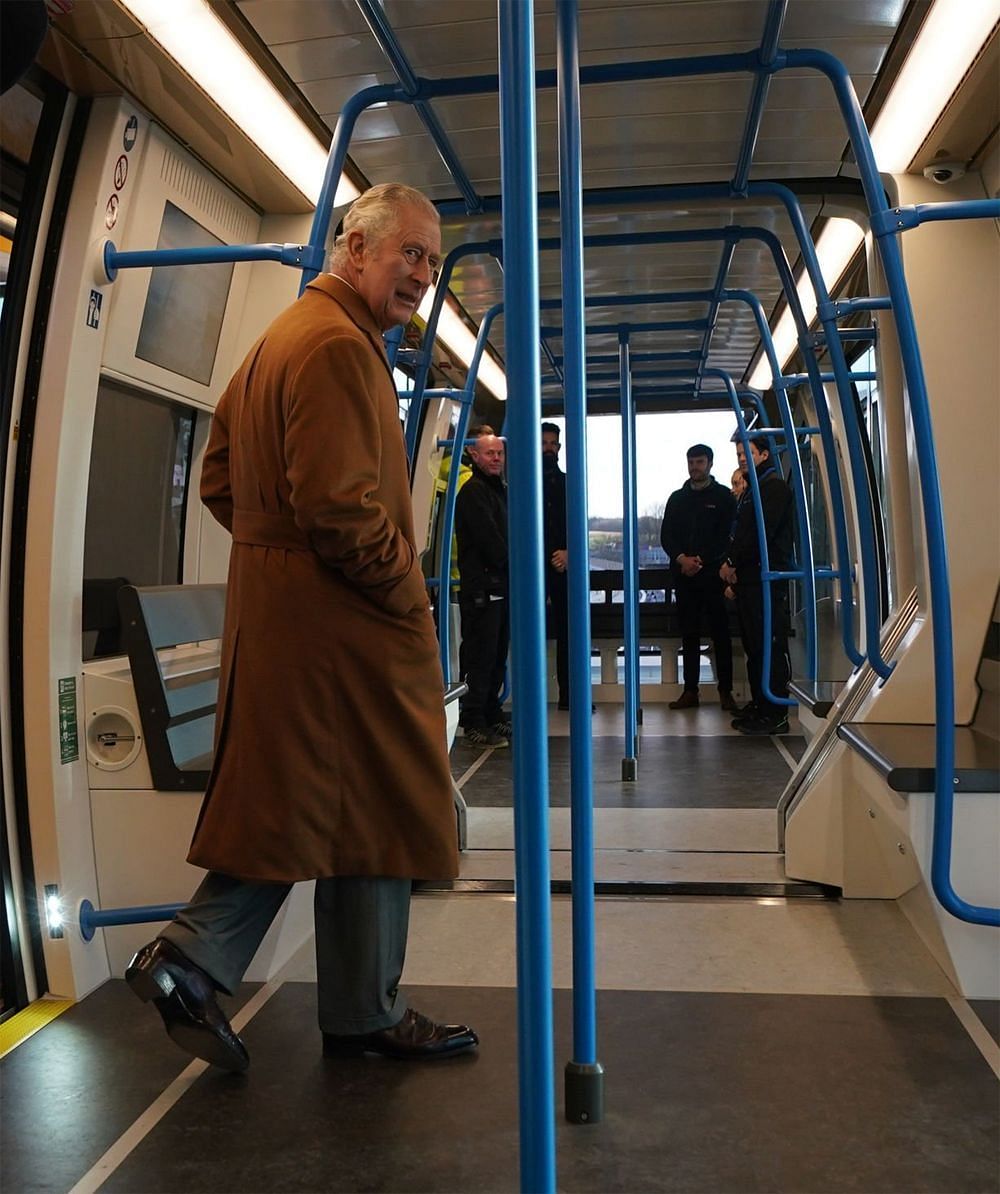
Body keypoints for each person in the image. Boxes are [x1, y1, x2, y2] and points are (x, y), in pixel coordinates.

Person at [125, 183, 478, 1070]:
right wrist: (409, 594)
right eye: (410, 253)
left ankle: (237, 973)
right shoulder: (336, 349)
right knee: (380, 795)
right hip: (343, 625)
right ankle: (247, 973)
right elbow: (344, 509)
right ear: (354, 248)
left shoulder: (278, 341)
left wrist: (273, 554)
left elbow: (218, 481)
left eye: (432, 261)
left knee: (326, 806)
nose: (423, 275)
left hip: (290, 614)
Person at [720, 435, 795, 735]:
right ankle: (760, 703)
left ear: (764, 455)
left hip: (765, 577)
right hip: (750, 579)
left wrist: (733, 562)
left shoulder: (773, 489)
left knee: (769, 645)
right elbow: (742, 533)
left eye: (747, 452)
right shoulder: (753, 490)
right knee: (754, 646)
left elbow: (760, 534)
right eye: (739, 453)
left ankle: (776, 712)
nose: (741, 458)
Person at [660, 444, 737, 711]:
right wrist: (682, 558)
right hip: (684, 578)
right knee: (688, 635)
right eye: (691, 462)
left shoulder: (725, 498)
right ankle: (690, 690)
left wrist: (701, 560)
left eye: (700, 462)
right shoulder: (676, 499)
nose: (695, 467)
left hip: (713, 577)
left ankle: (725, 691)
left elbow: (727, 537)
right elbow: (666, 536)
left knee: (721, 634)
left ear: (710, 464)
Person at [455, 428, 510, 746]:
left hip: (499, 585)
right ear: (474, 456)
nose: (496, 458)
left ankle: (491, 712)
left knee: (497, 654)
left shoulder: (498, 490)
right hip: (482, 589)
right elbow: (492, 541)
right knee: (481, 655)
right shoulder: (474, 492)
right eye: (490, 453)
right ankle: (473, 719)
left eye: (499, 453)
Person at [541, 422, 572, 708]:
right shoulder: (524, 484)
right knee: (531, 631)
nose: (549, 448)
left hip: (564, 565)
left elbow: (577, 524)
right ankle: (534, 697)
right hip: (533, 568)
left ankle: (568, 695)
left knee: (569, 631)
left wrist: (568, 552)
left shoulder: (569, 484)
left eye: (554, 444)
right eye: (545, 443)